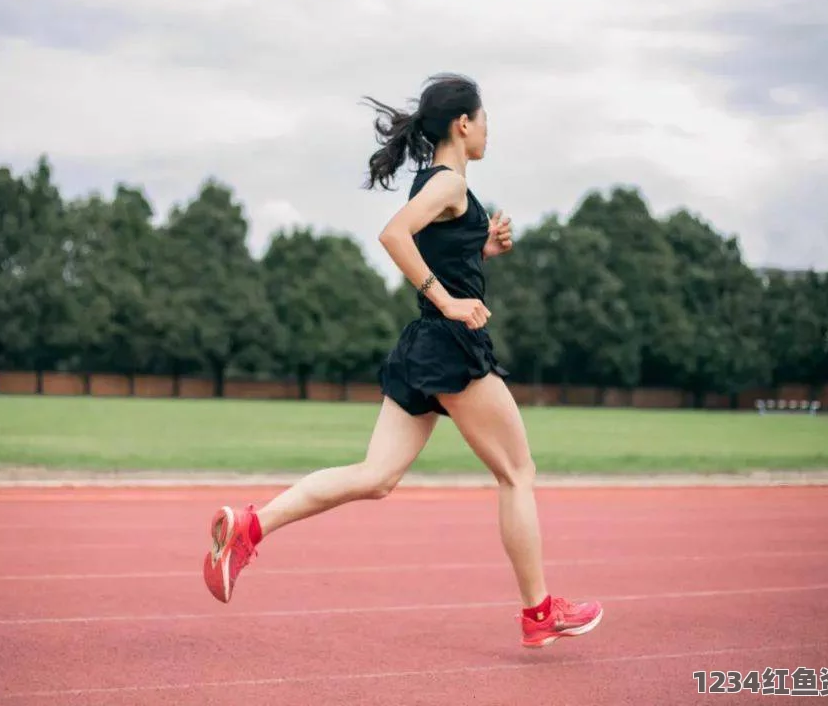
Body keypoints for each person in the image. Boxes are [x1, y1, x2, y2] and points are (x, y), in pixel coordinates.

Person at [202, 74, 603, 649]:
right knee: (517, 473)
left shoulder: (440, 185)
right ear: (463, 124)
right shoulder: (448, 185)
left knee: (375, 476)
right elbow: (393, 236)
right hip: (451, 346)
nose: (489, 130)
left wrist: (479, 247)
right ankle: (538, 613)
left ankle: (250, 526)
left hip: (424, 346)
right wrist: (448, 300)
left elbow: (429, 242)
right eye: (485, 119)